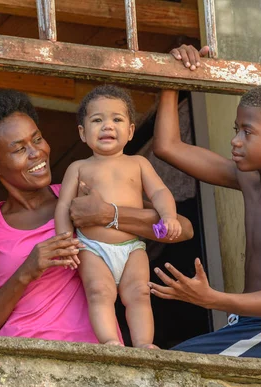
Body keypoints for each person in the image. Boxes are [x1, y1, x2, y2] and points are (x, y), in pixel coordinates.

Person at [0, 89, 193, 343]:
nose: (37, 153)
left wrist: (110, 215)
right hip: (22, 362)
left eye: (37, 139)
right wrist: (26, 271)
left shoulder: (83, 193)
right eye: (19, 149)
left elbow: (182, 230)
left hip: (97, 357)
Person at [148, 45, 261, 363]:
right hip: (252, 329)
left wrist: (209, 298)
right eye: (236, 130)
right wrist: (172, 78)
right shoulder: (250, 180)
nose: (235, 140)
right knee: (160, 368)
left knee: (163, 369)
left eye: (247, 132)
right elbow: (167, 146)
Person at [54, 85, 181, 349]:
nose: (107, 126)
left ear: (131, 131)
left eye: (117, 119)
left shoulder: (138, 163)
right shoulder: (78, 167)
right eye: (97, 120)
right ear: (82, 132)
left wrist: (169, 217)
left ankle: (144, 343)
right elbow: (64, 206)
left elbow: (159, 192)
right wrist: (65, 241)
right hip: (92, 248)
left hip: (132, 247)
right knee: (99, 293)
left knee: (140, 293)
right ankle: (111, 341)